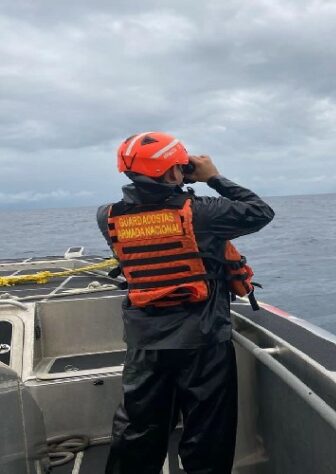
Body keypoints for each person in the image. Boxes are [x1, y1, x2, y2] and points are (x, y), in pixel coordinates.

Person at [96, 131, 275, 473]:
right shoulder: (203, 214)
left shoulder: (107, 216)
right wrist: (213, 178)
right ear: (171, 172)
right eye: (179, 166)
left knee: (138, 432)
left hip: (145, 342)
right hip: (203, 341)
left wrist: (175, 176)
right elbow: (260, 212)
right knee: (206, 437)